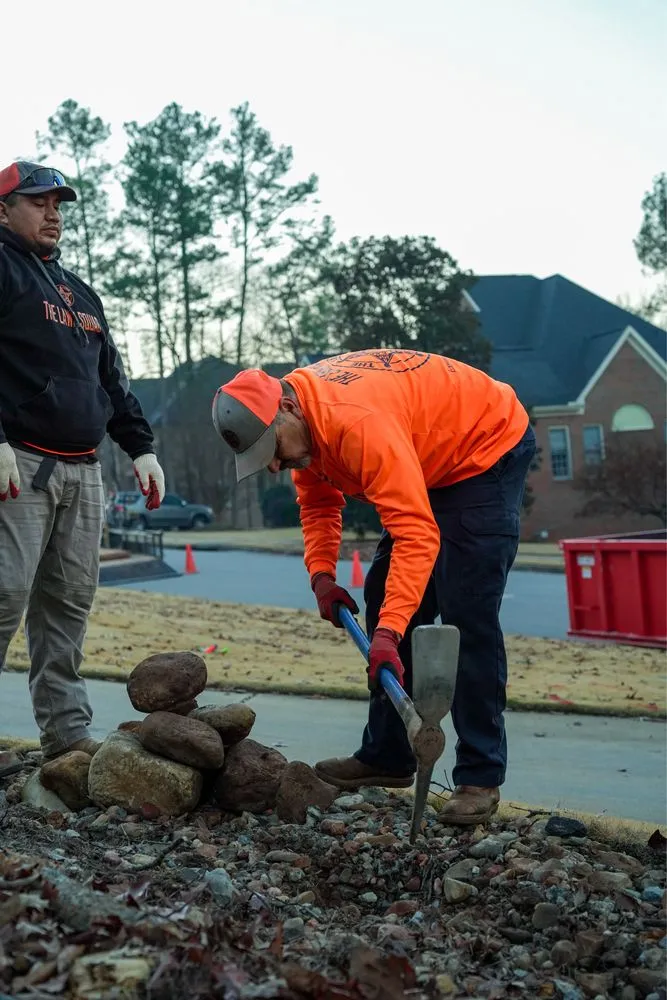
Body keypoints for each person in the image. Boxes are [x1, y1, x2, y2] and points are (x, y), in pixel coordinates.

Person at [211, 349, 536, 825]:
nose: (276, 466)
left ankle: (480, 777)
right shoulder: (306, 430)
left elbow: (417, 533)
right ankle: (388, 755)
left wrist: (388, 636)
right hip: (426, 454)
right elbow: (320, 506)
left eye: (273, 449)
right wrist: (322, 575)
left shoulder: (354, 425)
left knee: (467, 614)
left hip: (485, 446)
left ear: (286, 407)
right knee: (384, 593)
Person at [0, 160, 165, 759]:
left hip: (82, 470)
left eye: (59, 203)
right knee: (3, 595)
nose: (53, 213)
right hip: (17, 464)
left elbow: (110, 380)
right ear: (2, 209)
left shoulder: (78, 291)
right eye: (38, 200)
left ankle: (67, 738)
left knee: (68, 604)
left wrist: (141, 447)